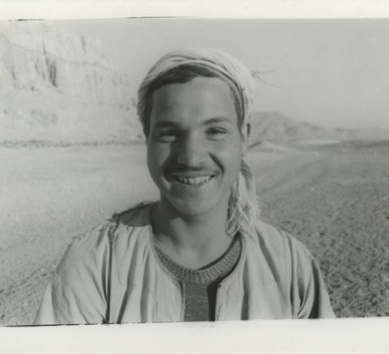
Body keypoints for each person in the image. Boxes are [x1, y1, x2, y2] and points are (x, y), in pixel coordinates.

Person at [34, 48, 335, 324]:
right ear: (147, 138)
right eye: (169, 133)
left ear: (244, 138)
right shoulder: (95, 263)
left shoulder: (289, 265)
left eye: (215, 131)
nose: (191, 157)